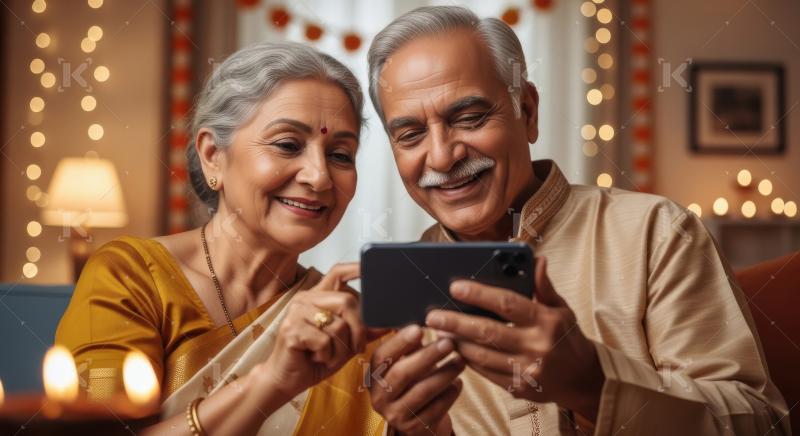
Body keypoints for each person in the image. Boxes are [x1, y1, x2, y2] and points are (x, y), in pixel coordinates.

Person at [365, 6, 790, 435]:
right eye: (411, 135)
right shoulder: (406, 285)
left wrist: (594, 384)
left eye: (470, 118)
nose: (441, 156)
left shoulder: (656, 232)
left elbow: (763, 423)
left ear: (527, 111)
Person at [56, 41, 386, 435]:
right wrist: (270, 383)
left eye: (340, 154)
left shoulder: (350, 324)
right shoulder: (132, 277)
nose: (319, 176)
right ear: (213, 155)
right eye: (287, 145)